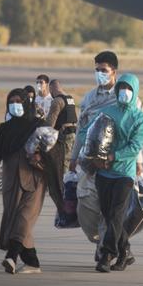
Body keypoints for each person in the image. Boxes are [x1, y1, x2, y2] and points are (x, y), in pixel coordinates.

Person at [69, 51, 143, 249]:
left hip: (116, 163)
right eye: (96, 70)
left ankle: (106, 249)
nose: (99, 74)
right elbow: (81, 129)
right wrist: (74, 156)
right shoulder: (89, 98)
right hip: (90, 160)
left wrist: (138, 161)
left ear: (114, 72)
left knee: (111, 212)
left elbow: (134, 134)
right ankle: (113, 245)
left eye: (103, 70)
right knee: (86, 205)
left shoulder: (128, 99)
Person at [93, 73, 143, 273]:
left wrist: (112, 157)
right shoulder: (107, 111)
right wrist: (91, 155)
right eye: (122, 87)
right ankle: (125, 250)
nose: (124, 92)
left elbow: (135, 147)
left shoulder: (141, 119)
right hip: (103, 173)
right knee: (109, 216)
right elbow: (93, 133)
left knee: (117, 214)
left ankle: (107, 255)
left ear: (135, 92)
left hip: (124, 174)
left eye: (129, 88)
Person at [0, 89, 45, 274]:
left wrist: (39, 158)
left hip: (35, 180)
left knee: (24, 217)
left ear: (26, 103)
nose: (15, 105)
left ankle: (11, 256)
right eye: (11, 102)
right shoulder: (5, 129)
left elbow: (52, 150)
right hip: (12, 180)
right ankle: (32, 262)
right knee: (15, 219)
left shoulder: (38, 126)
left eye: (19, 101)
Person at [42, 79, 78, 216]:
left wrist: (43, 133)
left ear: (51, 89)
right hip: (73, 135)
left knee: (63, 166)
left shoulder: (57, 101)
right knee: (69, 164)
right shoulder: (70, 99)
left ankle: (65, 197)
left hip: (63, 138)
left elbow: (50, 121)